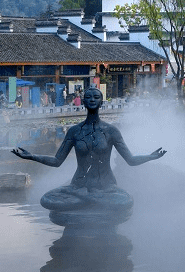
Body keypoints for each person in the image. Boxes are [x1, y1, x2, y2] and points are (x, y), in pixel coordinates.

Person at [12, 86, 166, 211]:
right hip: (79, 185)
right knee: (46, 199)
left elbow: (130, 160)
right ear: (83, 102)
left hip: (106, 186)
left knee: (125, 201)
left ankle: (88, 198)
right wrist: (32, 156)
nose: (92, 99)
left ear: (101, 103)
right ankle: (90, 198)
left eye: (96, 97)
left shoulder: (111, 131)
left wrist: (150, 157)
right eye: (88, 97)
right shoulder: (74, 131)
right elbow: (57, 161)